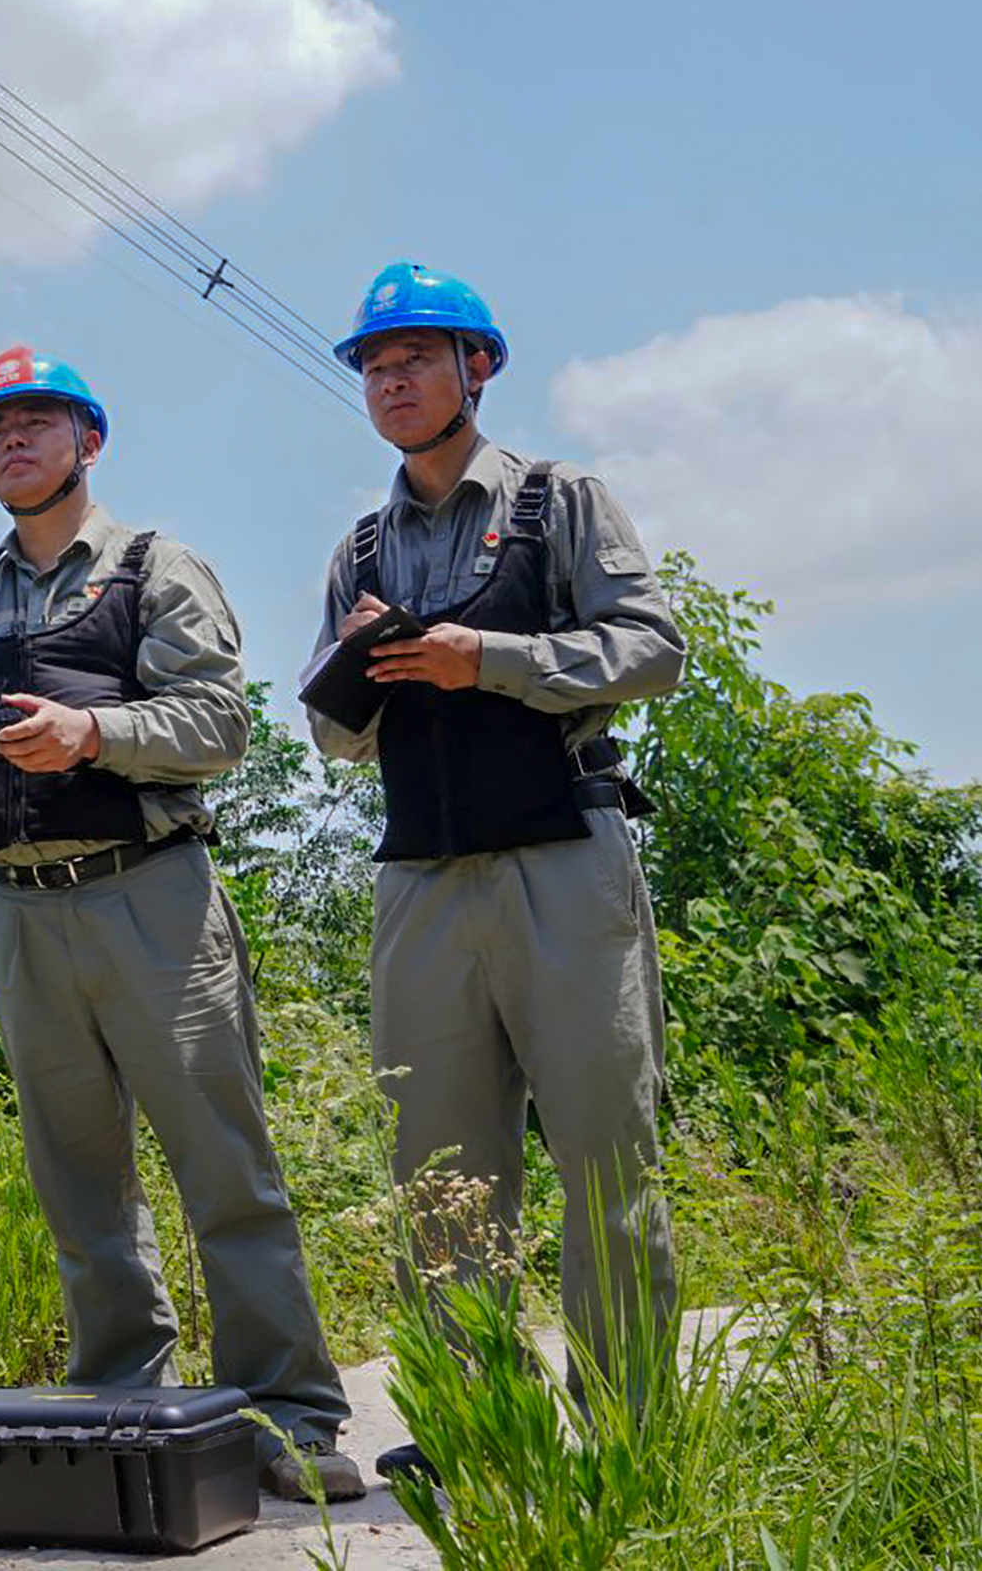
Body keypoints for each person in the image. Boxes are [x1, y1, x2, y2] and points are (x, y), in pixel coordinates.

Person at [0, 345, 359, 1501]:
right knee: (77, 1181)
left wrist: (91, 735)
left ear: (88, 439)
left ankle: (293, 1414)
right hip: (19, 908)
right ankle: (123, 1400)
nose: (13, 442)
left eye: (36, 423)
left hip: (150, 890)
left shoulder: (156, 567)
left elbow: (221, 721)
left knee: (223, 1163)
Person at [310, 264, 687, 1483]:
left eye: (416, 355)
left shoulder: (558, 499)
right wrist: (371, 665)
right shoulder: (358, 545)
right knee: (441, 1173)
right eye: (373, 364)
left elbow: (651, 648)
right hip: (421, 877)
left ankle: (630, 1427)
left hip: (564, 862)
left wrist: (495, 658)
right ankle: (479, 1427)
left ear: (481, 364)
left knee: (604, 1155)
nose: (392, 380)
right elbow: (332, 735)